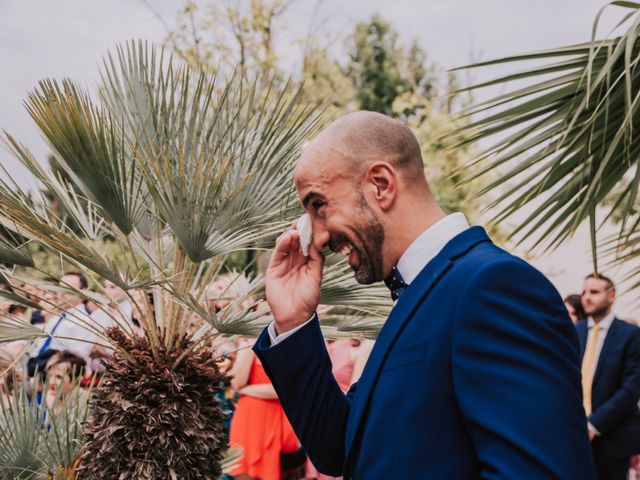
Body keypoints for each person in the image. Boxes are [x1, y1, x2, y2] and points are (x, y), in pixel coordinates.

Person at [253, 111, 596, 479]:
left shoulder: (494, 286)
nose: (318, 237)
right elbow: (339, 448)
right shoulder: (417, 293)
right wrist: (293, 322)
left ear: (381, 184)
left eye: (319, 205)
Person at [576, 273, 640, 480]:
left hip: (613, 439)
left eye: (594, 292)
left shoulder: (630, 335)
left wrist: (594, 425)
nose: (586, 297)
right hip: (574, 435)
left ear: (611, 296)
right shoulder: (574, 331)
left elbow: (631, 388)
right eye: (584, 292)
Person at [27, 271, 96, 376]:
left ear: (83, 292)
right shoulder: (59, 316)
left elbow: (77, 357)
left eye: (68, 289)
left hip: (58, 376)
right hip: (37, 371)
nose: (61, 293)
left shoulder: (84, 321)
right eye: (60, 288)